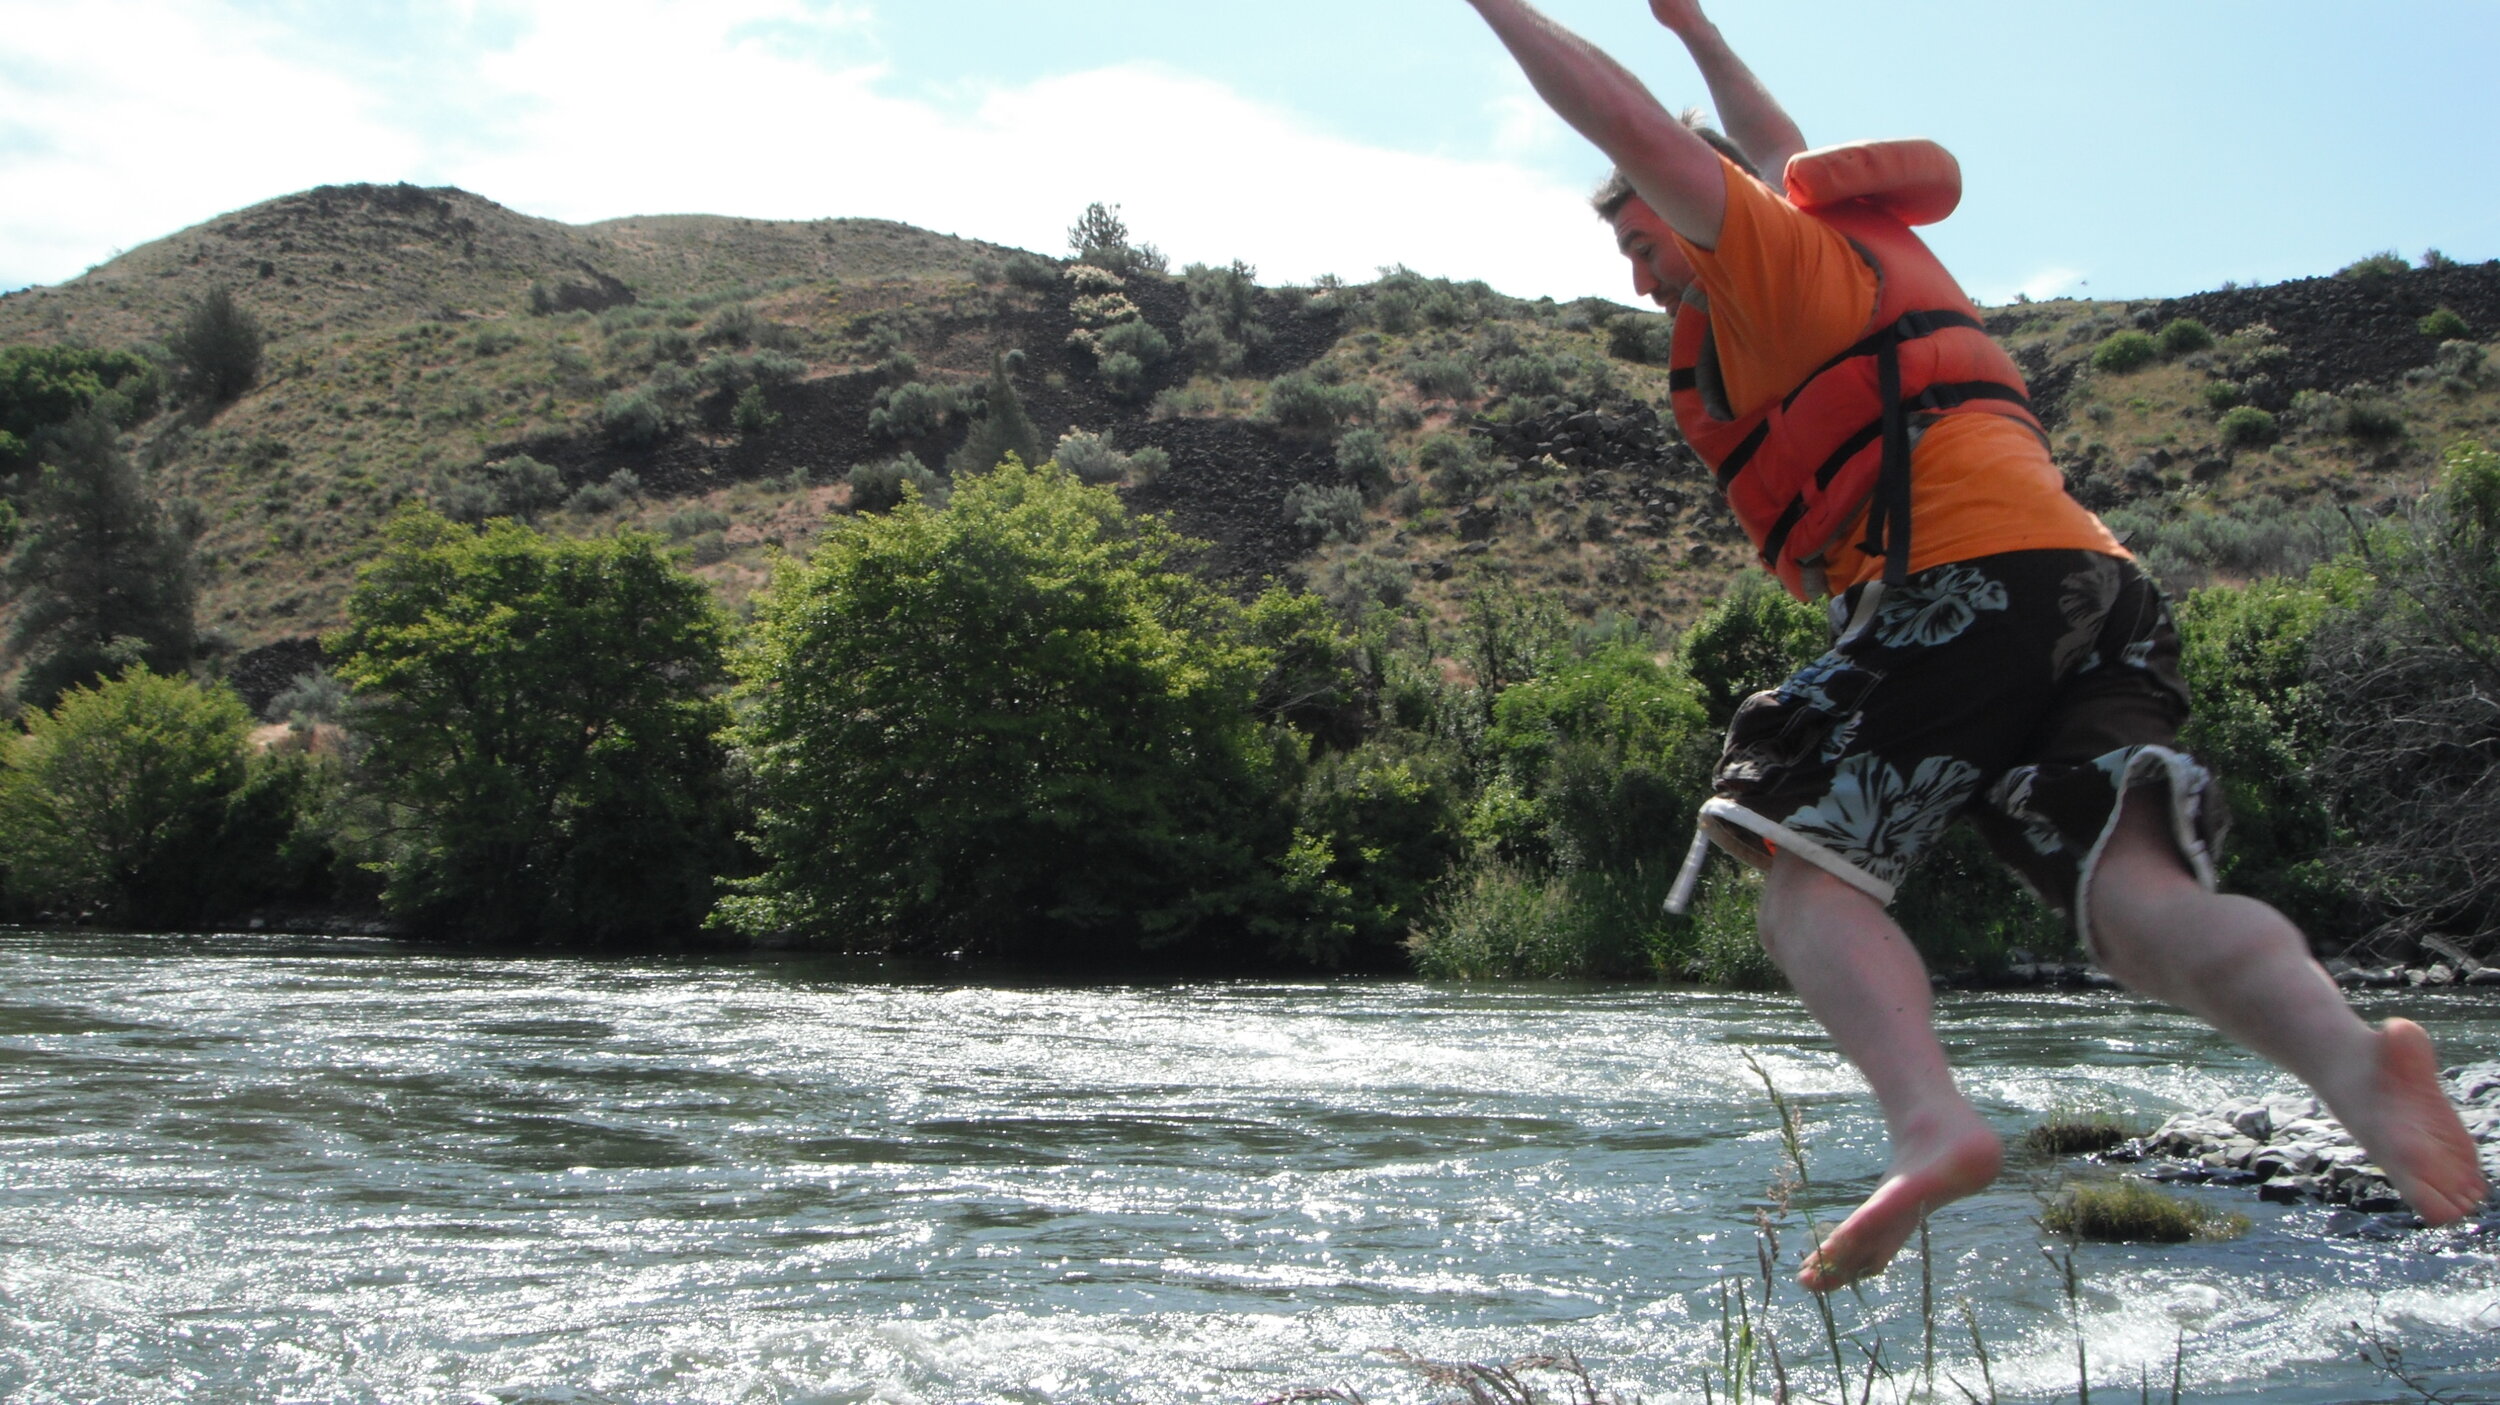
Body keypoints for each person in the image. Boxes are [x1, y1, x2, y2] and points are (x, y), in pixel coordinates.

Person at [1462, 0, 2490, 1293]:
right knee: (2136, 904)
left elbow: (1633, 124)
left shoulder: (1766, 263)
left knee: (1799, 867)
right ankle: (2354, 1062)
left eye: (1638, 235)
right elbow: (1779, 142)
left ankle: (1929, 1118)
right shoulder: (1833, 240)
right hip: (2099, 590)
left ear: (1698, 195)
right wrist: (1700, 33)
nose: (1638, 275)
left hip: (1965, 579)